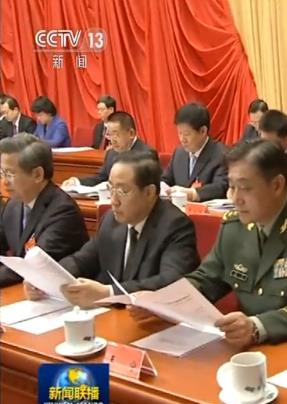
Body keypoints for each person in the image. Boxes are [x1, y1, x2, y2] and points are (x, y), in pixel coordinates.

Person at [133, 139, 287, 348]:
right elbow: (207, 278)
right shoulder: (234, 226)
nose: (235, 198)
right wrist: (164, 301)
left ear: (277, 185)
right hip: (243, 345)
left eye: (245, 188)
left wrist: (256, 327)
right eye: (231, 187)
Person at [25, 151, 200, 307]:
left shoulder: (175, 225)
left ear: (149, 192)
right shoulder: (111, 220)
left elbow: (172, 282)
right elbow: (82, 260)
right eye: (111, 189)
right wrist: (45, 277)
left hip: (153, 321)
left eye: (122, 191)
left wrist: (109, 293)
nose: (113, 201)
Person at [0, 134, 88, 287]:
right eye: (2, 173)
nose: (4, 181)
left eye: (10, 174)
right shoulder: (14, 204)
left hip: (59, 294)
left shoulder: (63, 212)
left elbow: (32, 265)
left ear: (37, 174)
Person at [62, 111, 151, 187]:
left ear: (131, 133)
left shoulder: (146, 155)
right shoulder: (111, 153)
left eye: (116, 134)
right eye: (109, 134)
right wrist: (77, 182)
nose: (112, 140)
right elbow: (100, 178)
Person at [161, 103, 229, 202]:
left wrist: (192, 194)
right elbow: (166, 179)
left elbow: (221, 186)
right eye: (179, 133)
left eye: (187, 134)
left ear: (203, 131)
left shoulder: (221, 154)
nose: (182, 139)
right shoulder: (179, 153)